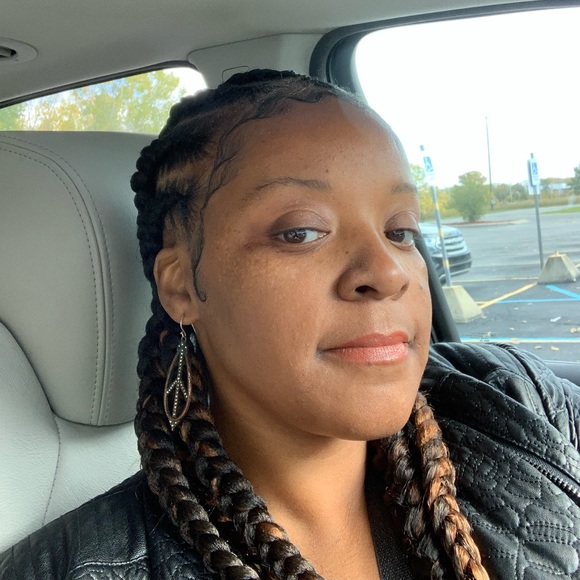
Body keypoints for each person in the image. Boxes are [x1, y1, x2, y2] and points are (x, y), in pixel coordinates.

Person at [1, 69, 579, 580]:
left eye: (400, 230)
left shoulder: (518, 401)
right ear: (180, 287)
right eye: (300, 231)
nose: (387, 271)